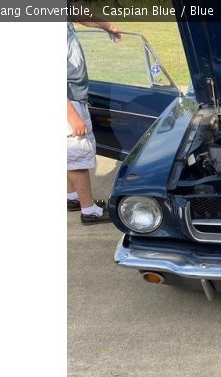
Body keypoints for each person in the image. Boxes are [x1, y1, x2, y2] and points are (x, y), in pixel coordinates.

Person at [67, 11, 120, 224]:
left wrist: (107, 25)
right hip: (68, 98)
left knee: (68, 153)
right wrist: (71, 115)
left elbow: (78, 14)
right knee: (77, 153)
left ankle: (71, 197)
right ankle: (89, 210)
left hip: (72, 93)